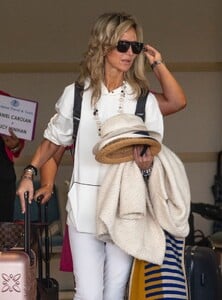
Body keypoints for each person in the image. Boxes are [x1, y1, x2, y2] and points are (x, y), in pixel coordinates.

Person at [17, 12, 187, 300]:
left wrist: (145, 168)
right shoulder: (77, 94)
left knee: (115, 292)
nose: (129, 54)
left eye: (135, 47)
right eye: (123, 45)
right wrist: (29, 174)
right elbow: (52, 141)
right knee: (88, 293)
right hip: (84, 206)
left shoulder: (143, 99)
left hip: (127, 206)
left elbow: (154, 157)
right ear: (103, 44)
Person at [0, 90, 25, 222]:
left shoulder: (4, 99)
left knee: (3, 231)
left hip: (2, 178)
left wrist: (14, 145)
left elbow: (17, 146)